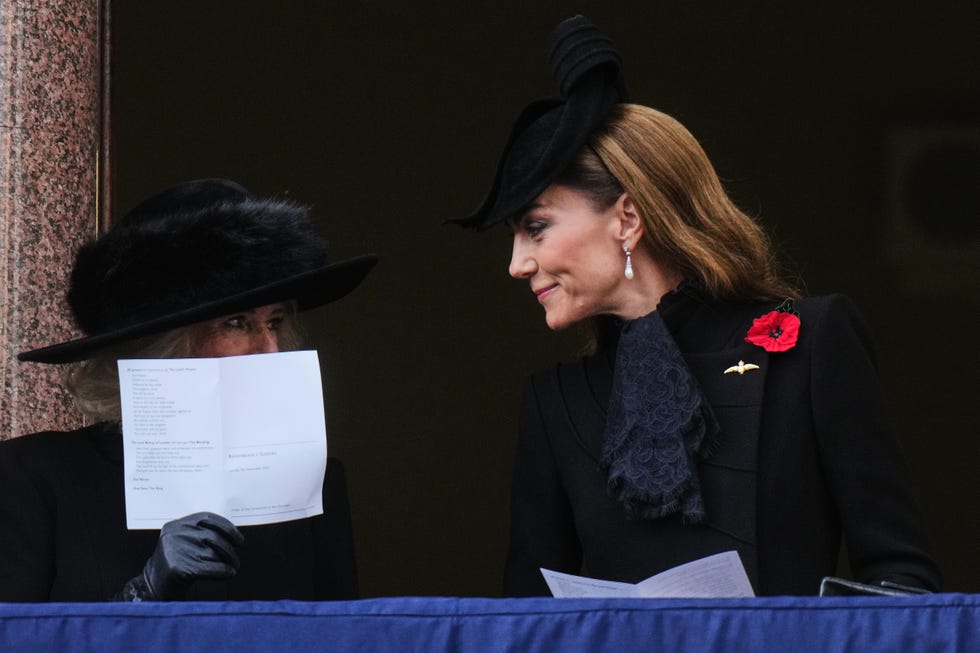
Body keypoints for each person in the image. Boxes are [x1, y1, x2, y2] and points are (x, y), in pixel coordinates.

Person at [453, 16, 941, 596]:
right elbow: (524, 622)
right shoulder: (552, 402)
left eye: (536, 227)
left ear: (627, 218)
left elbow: (902, 580)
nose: (517, 264)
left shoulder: (813, 341)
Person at [0, 178, 377, 601]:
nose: (269, 348)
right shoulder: (37, 477)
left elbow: (340, 637)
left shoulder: (311, 483)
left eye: (276, 322)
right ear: (162, 347)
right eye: (237, 323)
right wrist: (143, 592)